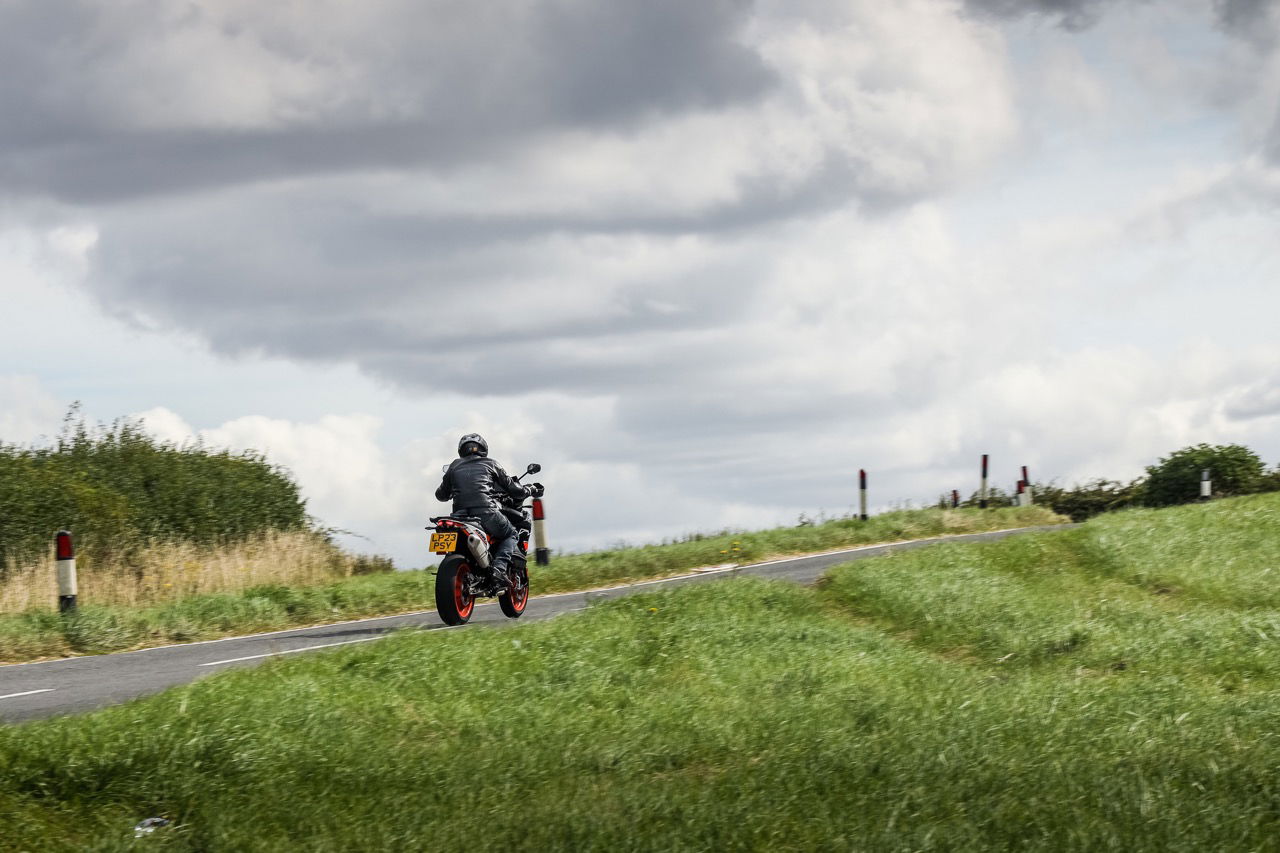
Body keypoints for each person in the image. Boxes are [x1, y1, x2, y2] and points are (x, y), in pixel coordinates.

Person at [435, 433, 533, 589]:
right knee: (511, 533)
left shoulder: (454, 466)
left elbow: (440, 495)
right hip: (486, 512)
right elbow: (515, 490)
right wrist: (529, 489)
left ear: (461, 450)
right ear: (483, 449)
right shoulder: (491, 463)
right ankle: (499, 569)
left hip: (459, 517)